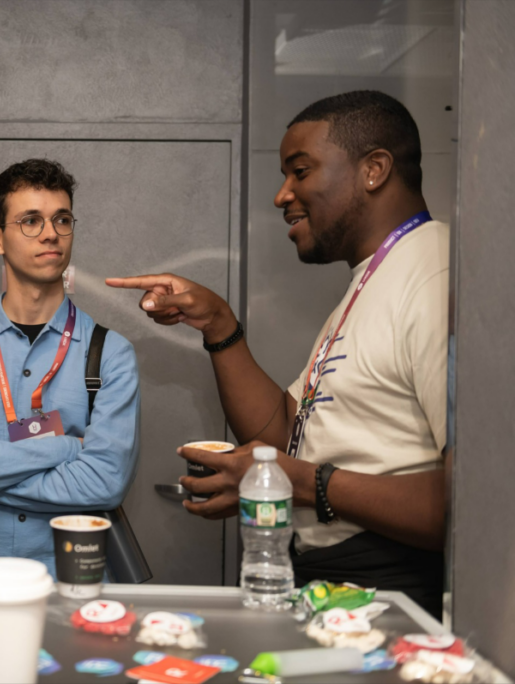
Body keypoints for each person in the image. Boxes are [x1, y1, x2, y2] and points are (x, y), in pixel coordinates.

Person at [108, 91, 447, 617]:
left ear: (374, 169)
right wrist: (219, 326)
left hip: (390, 586)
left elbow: (467, 503)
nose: (282, 194)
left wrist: (303, 483)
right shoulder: (372, 279)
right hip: (331, 584)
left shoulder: (435, 275)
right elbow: (286, 432)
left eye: (301, 171)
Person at [0, 159, 141, 576]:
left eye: (62, 219)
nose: (51, 233)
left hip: (77, 582)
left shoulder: (110, 353)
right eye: (31, 221)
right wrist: (67, 449)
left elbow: (105, 482)